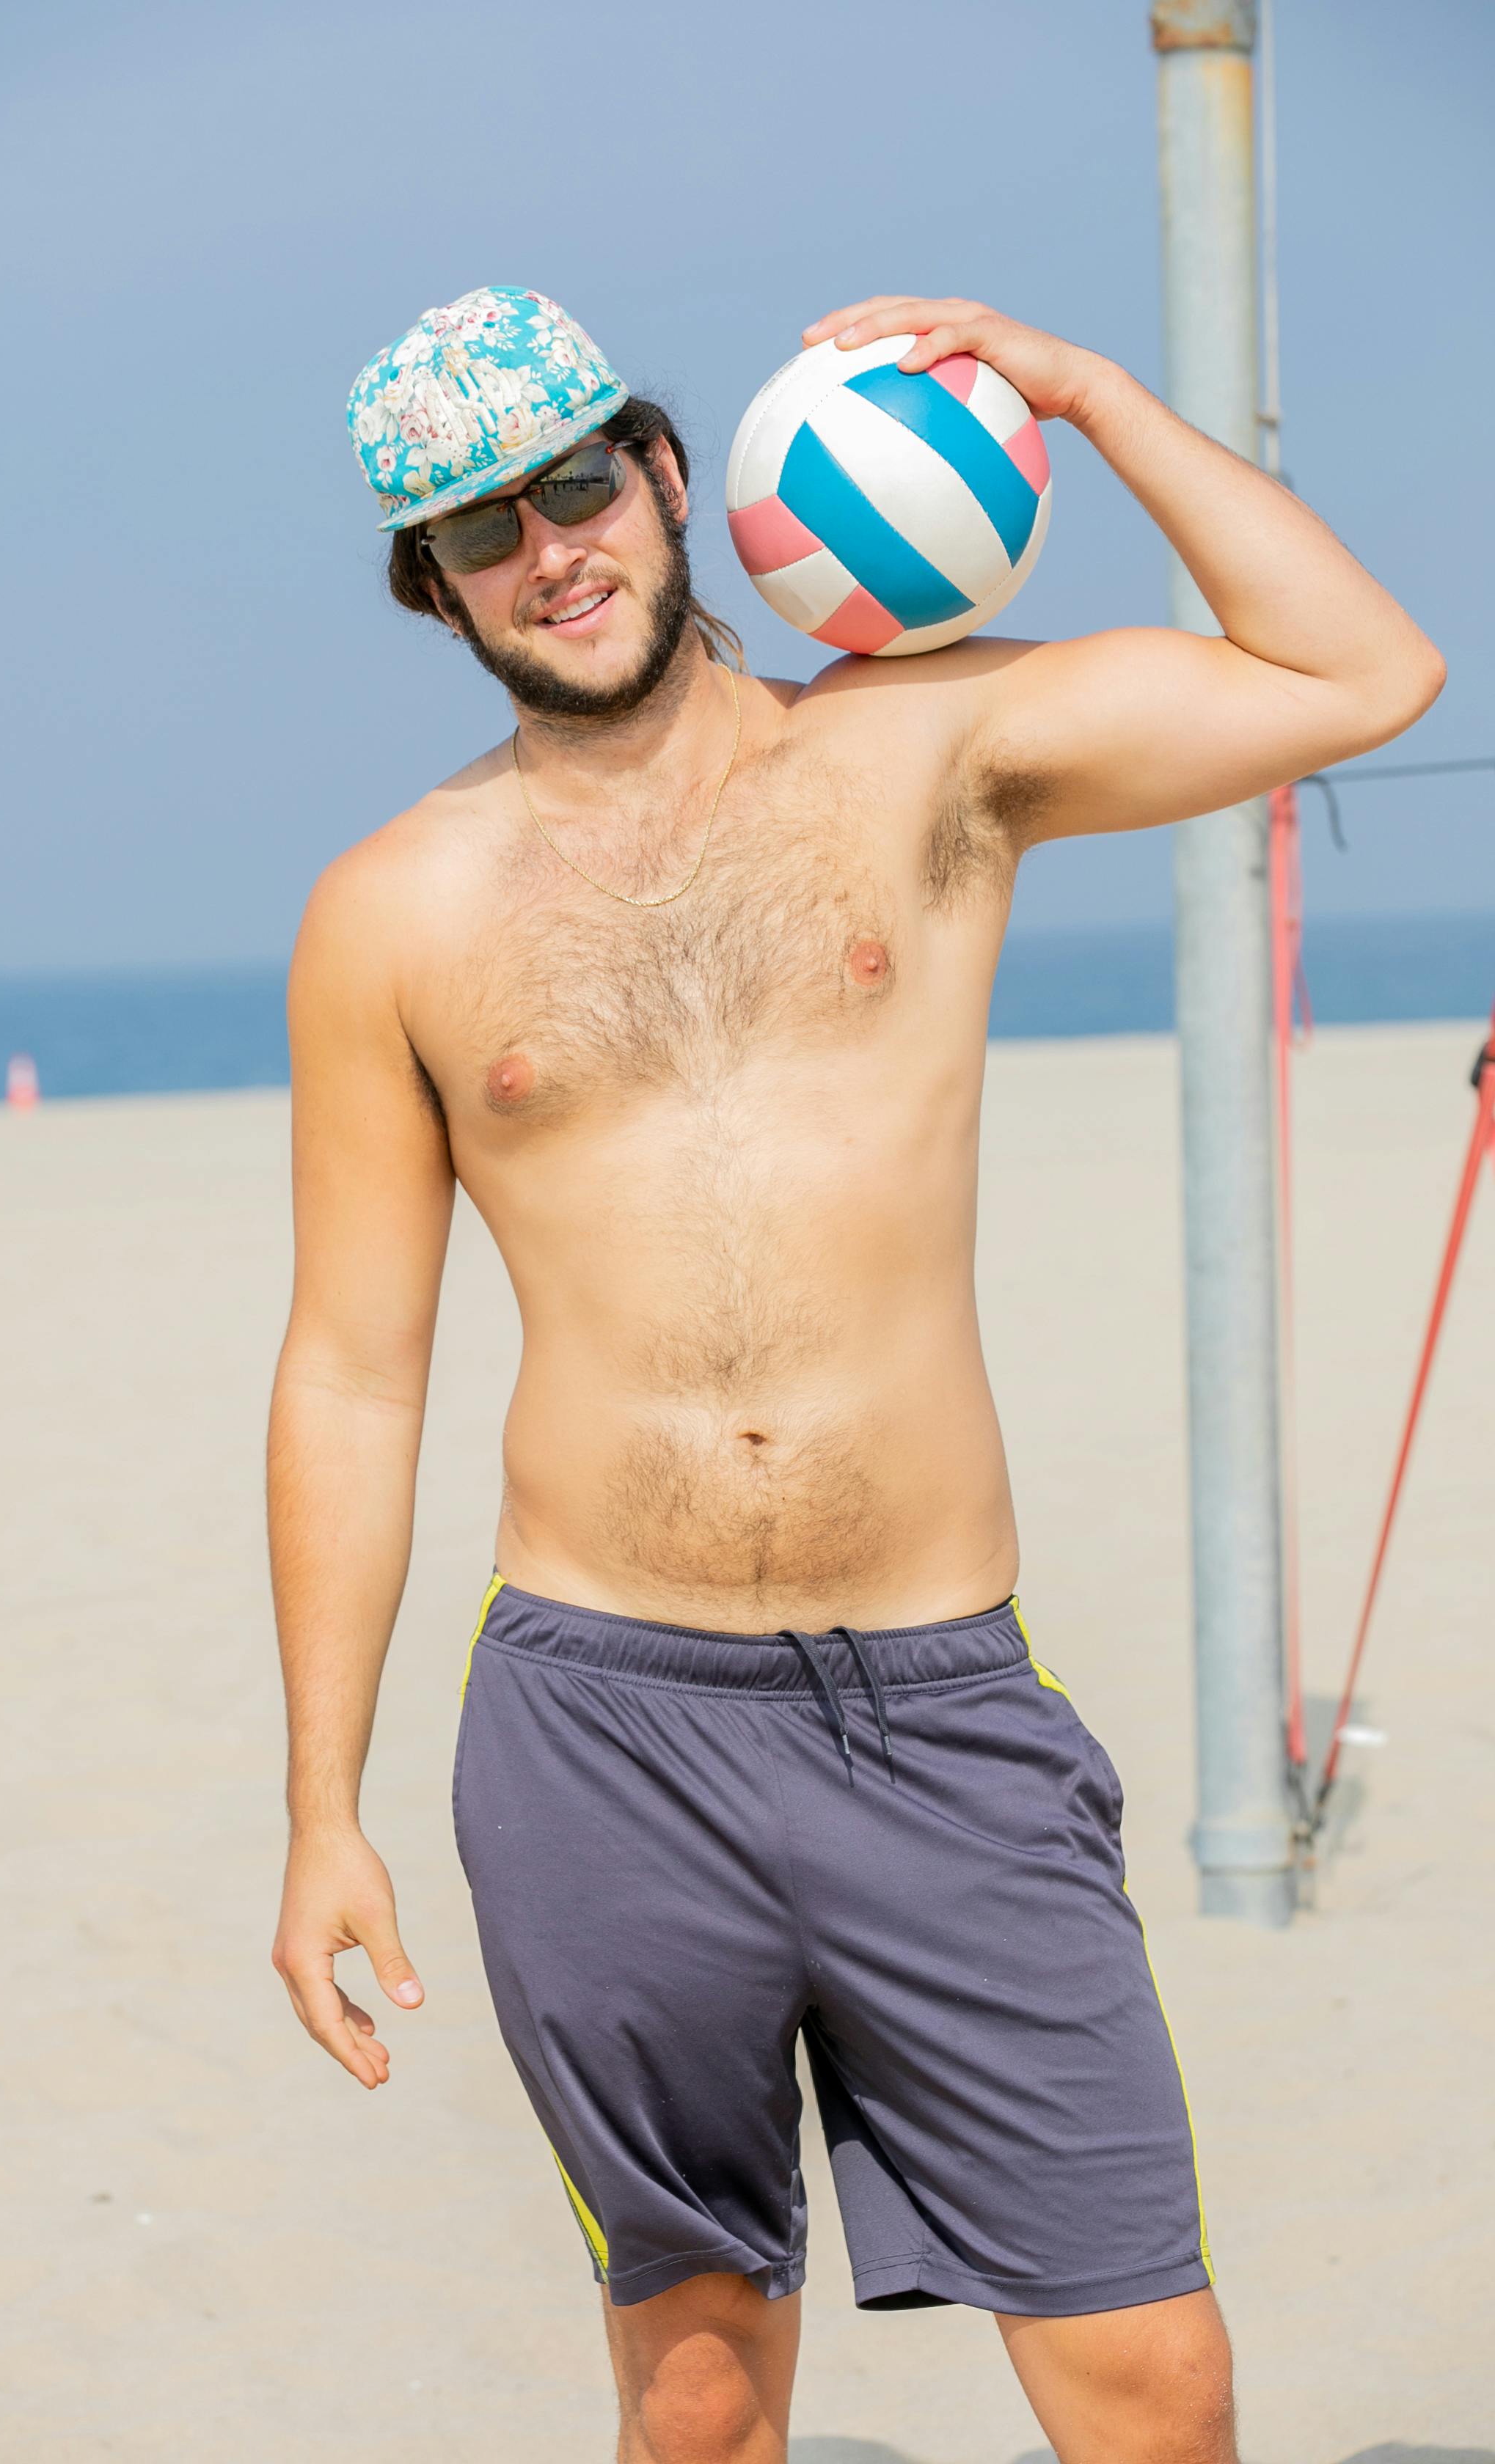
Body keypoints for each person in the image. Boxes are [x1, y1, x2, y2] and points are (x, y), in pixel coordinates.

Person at [268, 284, 1442, 2463]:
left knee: (1151, 2379)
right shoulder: (394, 912)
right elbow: (351, 1369)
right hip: (599, 1719)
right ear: (432, 587)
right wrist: (322, 1806)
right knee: (701, 2392)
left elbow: (1363, 671)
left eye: (575, 487)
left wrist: (1083, 395)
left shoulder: (923, 752)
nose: (553, 551)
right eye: (481, 532)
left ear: (664, 477)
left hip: (936, 1705)